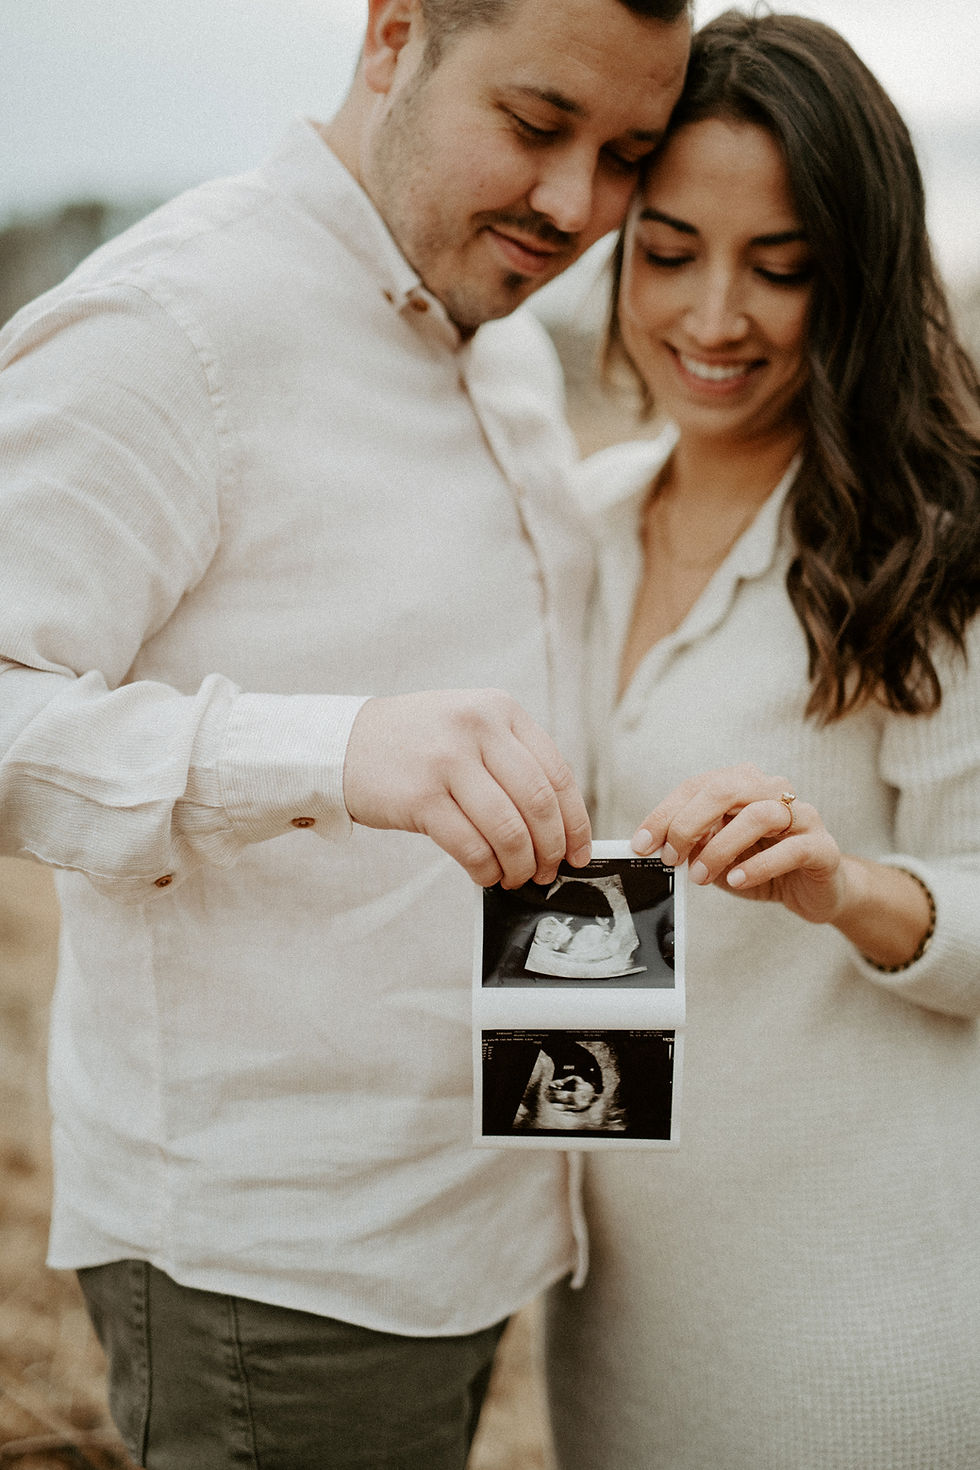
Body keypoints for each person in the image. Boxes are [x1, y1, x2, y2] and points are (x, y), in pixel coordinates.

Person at [0, 1, 693, 1465]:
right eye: (537, 123)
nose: (579, 207)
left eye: (628, 152)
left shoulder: (498, 332)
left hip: (491, 1209)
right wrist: (328, 749)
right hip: (278, 1265)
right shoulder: (169, 328)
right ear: (392, 38)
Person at [546, 11, 980, 1468]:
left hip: (870, 1336)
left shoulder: (929, 551)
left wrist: (843, 884)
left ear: (855, 277)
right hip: (618, 1320)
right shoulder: (575, 521)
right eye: (669, 252)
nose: (714, 315)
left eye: (782, 268)